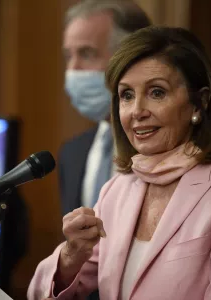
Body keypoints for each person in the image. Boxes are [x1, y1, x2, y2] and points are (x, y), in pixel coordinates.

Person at [28, 26, 211, 300]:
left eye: (157, 92)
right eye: (126, 95)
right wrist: (71, 255)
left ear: (200, 103)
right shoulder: (116, 190)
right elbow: (43, 293)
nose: (137, 111)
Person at [59, 0, 151, 216]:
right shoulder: (71, 153)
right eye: (68, 56)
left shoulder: (166, 148)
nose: (73, 70)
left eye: (87, 54)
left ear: (132, 57)